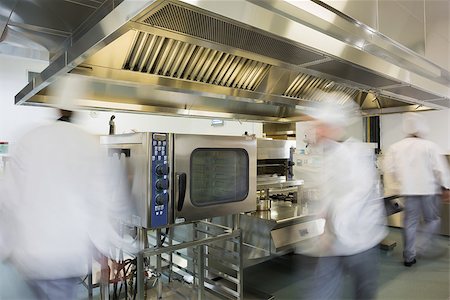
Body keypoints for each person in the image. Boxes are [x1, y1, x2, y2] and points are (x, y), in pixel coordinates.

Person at [1, 76, 135, 299]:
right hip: (65, 260)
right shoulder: (88, 143)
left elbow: (8, 197)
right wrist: (104, 257)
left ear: (56, 109)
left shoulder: (30, 138)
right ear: (77, 111)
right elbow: (99, 205)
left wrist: (5, 246)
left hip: (28, 258)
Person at [303, 94, 387, 300]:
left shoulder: (357, 153)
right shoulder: (326, 153)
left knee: (364, 292)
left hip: (362, 240)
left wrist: (332, 231)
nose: (317, 131)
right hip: (333, 242)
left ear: (334, 126)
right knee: (321, 293)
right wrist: (321, 222)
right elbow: (327, 193)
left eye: (321, 125)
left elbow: (355, 196)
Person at [383, 112, 450, 266]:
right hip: (428, 191)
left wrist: (395, 187)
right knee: (432, 220)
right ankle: (420, 246)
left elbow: (388, 169)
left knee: (409, 224)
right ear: (421, 128)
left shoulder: (395, 147)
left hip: (409, 191)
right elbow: (440, 169)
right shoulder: (429, 146)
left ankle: (409, 256)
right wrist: (446, 187)